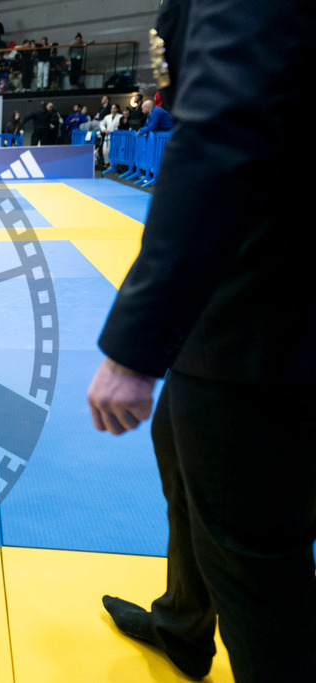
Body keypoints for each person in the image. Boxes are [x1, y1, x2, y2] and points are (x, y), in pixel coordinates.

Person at [87, 0, 315, 680]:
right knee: (182, 460)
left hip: (264, 309)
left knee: (256, 565)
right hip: (255, 301)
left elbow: (220, 133)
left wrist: (135, 343)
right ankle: (183, 620)